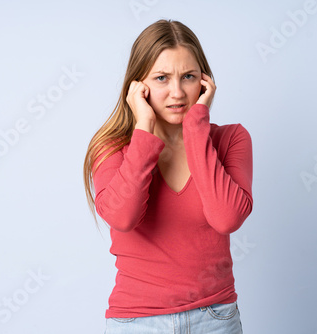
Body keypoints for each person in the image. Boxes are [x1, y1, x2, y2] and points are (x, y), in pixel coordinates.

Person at [83, 19, 253, 333]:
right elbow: (123, 217)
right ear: (138, 86)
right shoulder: (110, 148)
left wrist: (197, 129)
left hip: (215, 319)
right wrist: (143, 129)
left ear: (203, 83)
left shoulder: (232, 139)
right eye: (162, 78)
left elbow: (226, 218)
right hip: (137, 322)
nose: (177, 92)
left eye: (188, 77)